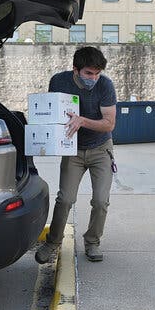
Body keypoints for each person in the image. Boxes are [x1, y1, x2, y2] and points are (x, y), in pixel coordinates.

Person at [35, 46, 117, 263]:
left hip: (101, 148)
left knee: (100, 201)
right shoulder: (59, 82)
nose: (94, 78)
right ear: (75, 69)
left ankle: (92, 242)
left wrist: (82, 121)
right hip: (72, 149)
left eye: (97, 73)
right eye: (89, 73)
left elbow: (109, 123)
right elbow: (51, 112)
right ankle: (52, 242)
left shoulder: (105, 86)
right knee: (65, 199)